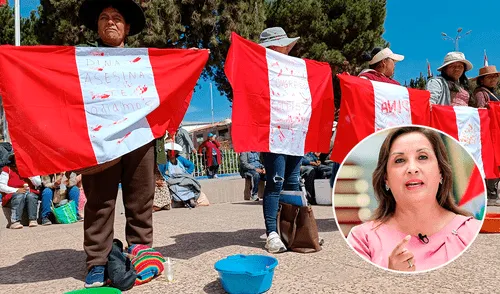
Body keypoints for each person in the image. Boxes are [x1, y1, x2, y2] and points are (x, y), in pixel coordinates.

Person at [78, 0, 155, 288]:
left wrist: (193, 58)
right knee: (99, 200)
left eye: (117, 18)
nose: (110, 22)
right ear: (97, 26)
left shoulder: (145, 59)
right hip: (100, 138)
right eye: (104, 17)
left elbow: (170, 80)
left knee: (141, 198)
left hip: (140, 135)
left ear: (128, 27)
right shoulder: (81, 59)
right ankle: (97, 262)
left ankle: (141, 250)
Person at [347, 127, 481, 272]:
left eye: (422, 157)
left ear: (441, 171)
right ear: (386, 179)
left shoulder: (471, 231)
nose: (412, 168)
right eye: (399, 160)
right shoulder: (362, 240)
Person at [258, 27, 304, 253]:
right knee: (275, 183)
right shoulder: (259, 70)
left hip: (295, 133)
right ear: (272, 47)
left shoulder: (295, 70)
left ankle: (292, 231)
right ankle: (272, 234)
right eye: (283, 45)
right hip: (274, 135)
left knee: (293, 184)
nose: (287, 49)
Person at [0, 154, 41, 229]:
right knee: (19, 196)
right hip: (13, 195)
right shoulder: (7, 169)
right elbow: (1, 186)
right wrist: (16, 190)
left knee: (31, 196)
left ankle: (32, 219)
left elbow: (38, 183)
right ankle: (14, 221)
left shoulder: (30, 169)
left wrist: (29, 175)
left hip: (28, 193)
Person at [160, 143, 199, 208]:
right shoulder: (165, 161)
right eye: (169, 151)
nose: (171, 153)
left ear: (175, 152)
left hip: (183, 177)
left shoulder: (180, 159)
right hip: (172, 179)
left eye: (172, 151)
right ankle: (182, 201)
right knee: (176, 187)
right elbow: (162, 172)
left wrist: (187, 173)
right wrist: (165, 178)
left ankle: (191, 199)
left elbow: (191, 165)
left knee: (189, 184)